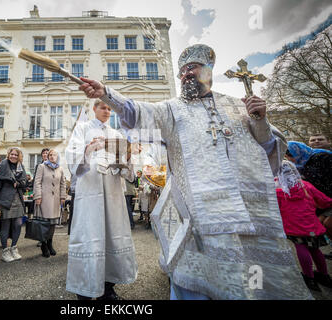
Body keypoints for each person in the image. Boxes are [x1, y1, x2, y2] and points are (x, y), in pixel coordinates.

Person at [77, 44, 312, 299]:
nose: (186, 74)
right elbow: (139, 112)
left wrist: (260, 120)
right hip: (200, 217)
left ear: (208, 70)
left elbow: (271, 152)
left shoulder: (237, 106)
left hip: (249, 216)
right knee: (199, 284)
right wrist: (107, 94)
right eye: (182, 71)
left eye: (193, 68)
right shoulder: (172, 110)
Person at [65, 99, 137, 300]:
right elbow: (72, 157)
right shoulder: (83, 128)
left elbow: (127, 170)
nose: (106, 111)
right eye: (103, 107)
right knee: (90, 235)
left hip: (112, 192)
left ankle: (108, 287)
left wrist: (127, 158)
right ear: (94, 109)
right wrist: (89, 149)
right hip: (90, 191)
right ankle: (84, 289)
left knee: (112, 236)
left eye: (109, 108)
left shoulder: (116, 134)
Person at [275, 160, 332, 291]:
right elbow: (324, 201)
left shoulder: (278, 192)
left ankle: (309, 278)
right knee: (315, 249)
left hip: (294, 228)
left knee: (301, 248)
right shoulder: (306, 186)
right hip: (312, 228)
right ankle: (324, 275)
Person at [286, 141, 332, 259]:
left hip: (329, 197)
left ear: (297, 152)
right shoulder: (302, 164)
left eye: (290, 156)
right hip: (323, 200)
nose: (290, 160)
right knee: (322, 224)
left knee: (328, 223)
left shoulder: (322, 157)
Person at [0, 147, 27, 263]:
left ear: (19, 156)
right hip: (5, 199)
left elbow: (25, 183)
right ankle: (5, 250)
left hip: (18, 199)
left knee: (18, 224)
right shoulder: (3, 165)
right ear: (8, 155)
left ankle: (14, 248)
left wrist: (18, 184)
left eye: (16, 154)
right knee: (5, 226)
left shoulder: (21, 166)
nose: (13, 156)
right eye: (12, 154)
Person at [33, 149, 66, 257]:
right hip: (43, 199)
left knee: (52, 224)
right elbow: (37, 182)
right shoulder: (42, 167)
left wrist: (62, 197)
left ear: (57, 157)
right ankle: (43, 244)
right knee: (44, 223)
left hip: (56, 200)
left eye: (54, 155)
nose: (51, 156)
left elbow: (63, 184)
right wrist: (37, 196)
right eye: (50, 155)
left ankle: (50, 243)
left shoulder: (60, 168)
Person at [32, 148, 49, 247]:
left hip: (50, 196)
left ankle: (47, 238)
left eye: (47, 153)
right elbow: (36, 180)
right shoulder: (38, 166)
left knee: (48, 219)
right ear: (41, 155)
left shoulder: (54, 165)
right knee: (40, 218)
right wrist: (36, 194)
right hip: (40, 195)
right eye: (43, 153)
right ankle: (41, 239)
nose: (45, 154)